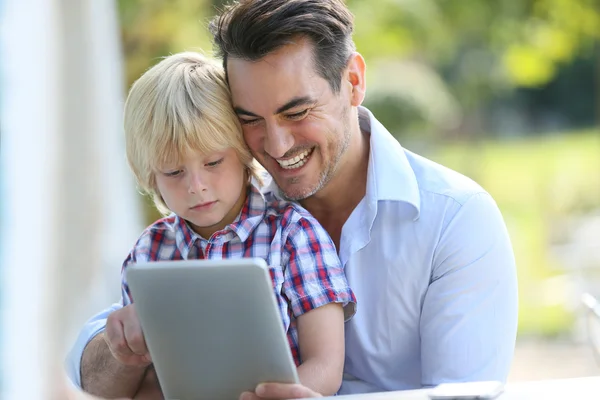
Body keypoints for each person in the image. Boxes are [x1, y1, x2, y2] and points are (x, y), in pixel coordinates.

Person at [67, 0, 518, 398]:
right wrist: (121, 340)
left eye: (297, 112)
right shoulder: (208, 220)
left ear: (354, 82)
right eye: (250, 119)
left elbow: (463, 397)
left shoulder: (456, 220)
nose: (278, 146)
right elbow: (96, 374)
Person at [70, 51, 356, 399]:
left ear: (243, 151)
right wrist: (126, 348)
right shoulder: (150, 251)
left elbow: (326, 365)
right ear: (149, 177)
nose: (196, 186)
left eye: (213, 162)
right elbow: (129, 386)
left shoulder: (294, 234)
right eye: (174, 172)